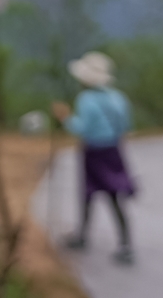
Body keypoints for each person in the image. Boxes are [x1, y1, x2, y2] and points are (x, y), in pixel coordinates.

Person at [51, 51, 136, 265]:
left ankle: (83, 236)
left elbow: (82, 129)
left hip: (94, 151)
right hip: (114, 150)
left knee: (88, 193)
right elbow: (125, 126)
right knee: (115, 196)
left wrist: (65, 118)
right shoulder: (118, 98)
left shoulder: (86, 100)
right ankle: (126, 244)